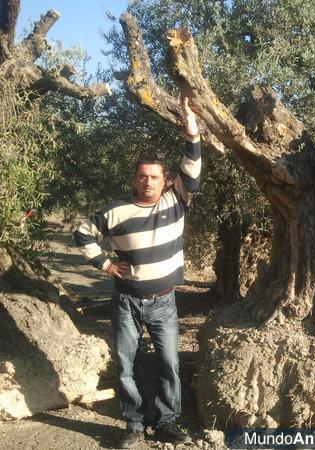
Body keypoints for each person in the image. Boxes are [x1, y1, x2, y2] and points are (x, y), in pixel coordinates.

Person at [74, 96, 201, 448]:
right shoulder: (116, 212)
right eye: (143, 176)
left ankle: (167, 421)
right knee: (126, 365)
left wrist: (190, 124)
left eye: (155, 177)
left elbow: (191, 164)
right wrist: (106, 264)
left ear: (165, 181)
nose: (148, 182)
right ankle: (133, 422)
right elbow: (82, 232)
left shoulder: (176, 202)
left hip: (164, 303)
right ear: (134, 179)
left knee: (168, 364)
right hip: (126, 301)